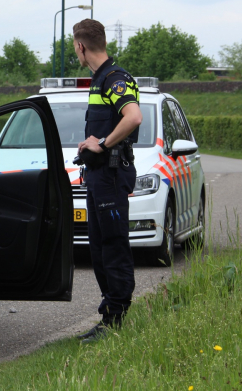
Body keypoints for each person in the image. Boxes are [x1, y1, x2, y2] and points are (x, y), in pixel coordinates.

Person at [71, 19, 142, 344]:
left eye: (75, 47)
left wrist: (102, 143)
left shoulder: (114, 78)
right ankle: (109, 314)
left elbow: (133, 116)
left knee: (112, 246)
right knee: (100, 247)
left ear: (80, 46)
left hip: (111, 175)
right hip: (100, 175)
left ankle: (116, 318)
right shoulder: (100, 78)